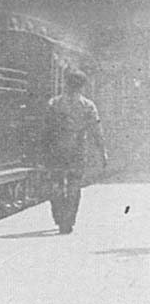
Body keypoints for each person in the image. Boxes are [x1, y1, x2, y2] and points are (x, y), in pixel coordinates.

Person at [45, 69, 107, 234]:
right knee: (74, 185)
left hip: (56, 151)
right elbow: (96, 130)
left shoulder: (54, 103)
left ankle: (58, 217)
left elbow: (46, 130)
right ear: (83, 87)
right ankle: (69, 220)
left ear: (65, 84)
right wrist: (102, 152)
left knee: (56, 184)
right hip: (78, 151)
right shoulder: (88, 106)